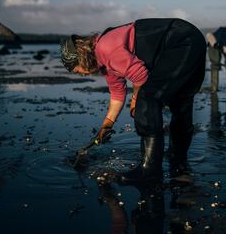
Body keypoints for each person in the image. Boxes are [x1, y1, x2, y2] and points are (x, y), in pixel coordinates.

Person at [61, 18, 206, 183]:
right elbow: (117, 92)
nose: (82, 74)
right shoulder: (104, 61)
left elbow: (140, 76)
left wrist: (136, 101)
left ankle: (149, 171)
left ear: (80, 58)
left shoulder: (105, 48)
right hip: (191, 38)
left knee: (147, 99)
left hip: (181, 41)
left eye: (78, 70)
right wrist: (107, 123)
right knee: (181, 102)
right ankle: (178, 159)